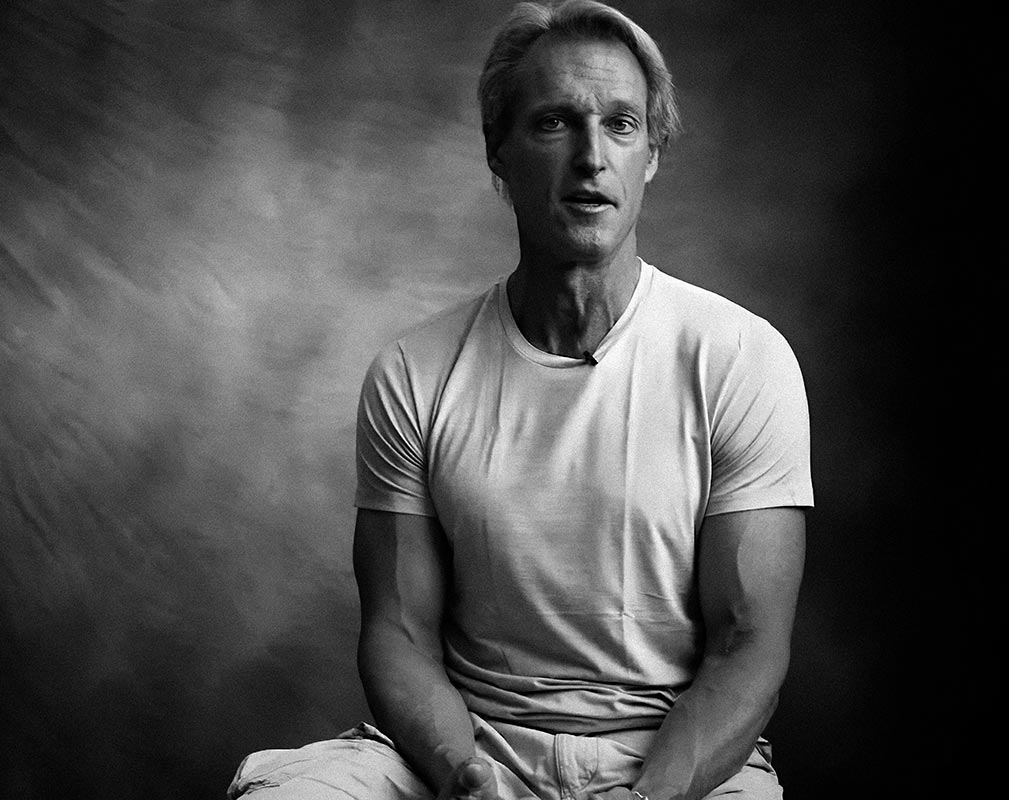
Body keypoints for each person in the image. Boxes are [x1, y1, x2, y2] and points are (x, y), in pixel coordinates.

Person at [227, 2, 812, 798]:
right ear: (498, 149)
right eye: (554, 123)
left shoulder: (743, 359)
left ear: (652, 154)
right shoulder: (412, 373)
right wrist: (462, 775)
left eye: (621, 125)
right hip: (471, 746)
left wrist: (650, 797)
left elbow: (748, 645)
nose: (591, 158)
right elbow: (399, 634)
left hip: (675, 762)